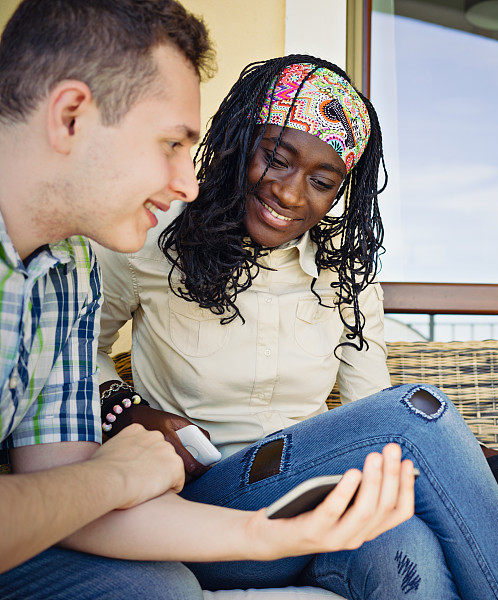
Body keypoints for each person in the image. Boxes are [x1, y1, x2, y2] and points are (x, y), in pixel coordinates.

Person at [0, 3, 413, 599]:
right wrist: (120, 461)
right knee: (421, 417)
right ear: (71, 118)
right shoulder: (141, 247)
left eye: (322, 181)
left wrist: (273, 536)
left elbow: (61, 491)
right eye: (172, 144)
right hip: (199, 485)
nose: (189, 183)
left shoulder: (68, 272)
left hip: (271, 496)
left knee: (168, 589)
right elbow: (82, 488)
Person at [95, 55, 498, 599]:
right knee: (418, 414)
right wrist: (126, 408)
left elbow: (369, 412)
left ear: (340, 194)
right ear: (243, 142)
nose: (289, 193)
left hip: (315, 513)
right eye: (277, 159)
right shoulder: (157, 242)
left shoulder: (344, 277)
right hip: (204, 512)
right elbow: (75, 353)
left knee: (412, 551)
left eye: (322, 181)